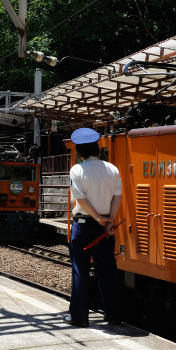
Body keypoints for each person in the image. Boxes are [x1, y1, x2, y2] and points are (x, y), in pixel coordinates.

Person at [63, 127, 123, 328]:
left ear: (79, 151)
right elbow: (117, 197)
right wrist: (109, 220)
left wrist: (97, 217)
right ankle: (113, 314)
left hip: (83, 225)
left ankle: (80, 317)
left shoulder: (77, 170)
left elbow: (80, 198)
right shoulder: (112, 169)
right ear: (98, 148)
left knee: (80, 270)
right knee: (107, 270)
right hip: (105, 226)